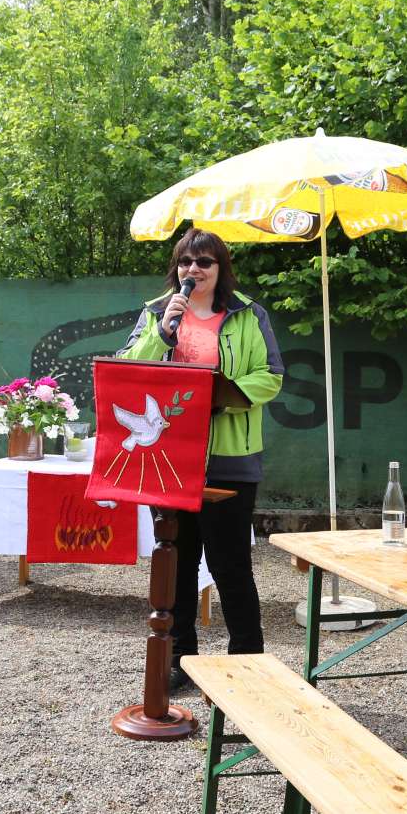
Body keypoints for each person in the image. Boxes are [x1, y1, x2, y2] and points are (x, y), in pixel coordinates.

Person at [118, 229, 285, 692]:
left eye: (205, 262)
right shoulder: (156, 312)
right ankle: (178, 658)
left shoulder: (249, 315)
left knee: (231, 565)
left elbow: (270, 376)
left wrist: (218, 398)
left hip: (231, 458)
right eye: (186, 261)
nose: (194, 270)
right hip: (168, 457)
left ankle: (247, 663)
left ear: (220, 269)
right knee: (178, 560)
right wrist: (160, 333)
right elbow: (129, 367)